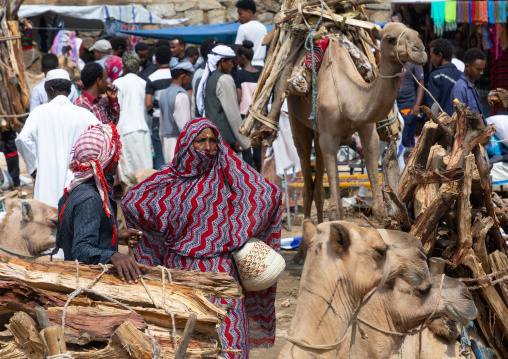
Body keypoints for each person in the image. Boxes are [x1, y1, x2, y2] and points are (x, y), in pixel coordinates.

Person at [122, 118, 282, 358]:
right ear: (187, 144)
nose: (208, 147)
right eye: (201, 141)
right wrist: (137, 233)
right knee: (186, 343)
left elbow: (267, 195)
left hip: (222, 274)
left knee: (228, 341)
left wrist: (236, 232)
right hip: (180, 274)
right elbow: (134, 201)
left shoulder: (228, 172)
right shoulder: (169, 178)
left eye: (212, 141)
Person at [57, 123, 143, 283]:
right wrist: (114, 255)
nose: (118, 159)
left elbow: (65, 238)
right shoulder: (91, 199)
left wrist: (113, 235)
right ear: (106, 159)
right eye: (115, 154)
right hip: (88, 282)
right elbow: (80, 249)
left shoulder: (73, 191)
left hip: (75, 277)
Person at [16, 69, 99, 208]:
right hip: (76, 182)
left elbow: (23, 139)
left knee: (46, 222)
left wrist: (33, 168)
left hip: (46, 182)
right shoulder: (84, 114)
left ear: (51, 90)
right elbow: (104, 135)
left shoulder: (39, 112)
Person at [196, 45, 250, 152]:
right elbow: (233, 114)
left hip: (206, 139)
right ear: (222, 62)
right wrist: (244, 143)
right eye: (230, 61)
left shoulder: (202, 81)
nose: (232, 65)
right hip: (222, 140)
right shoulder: (224, 80)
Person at [113, 52, 152, 188]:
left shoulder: (118, 83)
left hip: (125, 130)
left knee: (129, 174)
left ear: (124, 66)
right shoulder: (144, 83)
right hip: (144, 130)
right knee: (146, 170)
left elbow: (116, 108)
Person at [159, 61, 194, 163]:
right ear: (183, 77)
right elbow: (185, 128)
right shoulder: (181, 95)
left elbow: (161, 126)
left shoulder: (163, 94)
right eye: (189, 77)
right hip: (178, 144)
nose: (189, 81)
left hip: (166, 143)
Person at [145, 46, 173, 169]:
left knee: (160, 156)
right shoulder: (175, 75)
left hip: (157, 120)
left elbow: (148, 103)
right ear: (170, 59)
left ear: (156, 60)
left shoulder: (152, 78)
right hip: (174, 121)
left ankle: (160, 185)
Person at [235, 40, 261, 169]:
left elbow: (239, 98)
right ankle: (261, 175)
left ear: (243, 57)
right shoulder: (260, 73)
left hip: (244, 115)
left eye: (238, 58)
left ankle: (248, 177)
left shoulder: (239, 75)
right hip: (259, 116)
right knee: (258, 147)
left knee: (246, 147)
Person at [427, 39, 463, 116]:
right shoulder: (462, 76)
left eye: (432, 56)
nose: (431, 60)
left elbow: (434, 107)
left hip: (444, 125)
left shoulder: (436, 76)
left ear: (440, 56)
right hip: (461, 124)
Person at [450, 48, 486, 120]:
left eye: (482, 69)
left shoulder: (472, 85)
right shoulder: (460, 88)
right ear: (467, 67)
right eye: (478, 69)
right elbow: (459, 120)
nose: (481, 73)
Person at [397, 61, 424, 150]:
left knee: (406, 139)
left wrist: (417, 106)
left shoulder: (413, 63)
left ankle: (408, 162)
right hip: (395, 107)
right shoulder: (395, 60)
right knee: (397, 140)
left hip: (408, 108)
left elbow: (420, 84)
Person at [235, 0, 267, 68]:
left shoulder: (242, 28)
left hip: (246, 66)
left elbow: (238, 49)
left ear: (249, 12)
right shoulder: (263, 27)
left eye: (240, 14)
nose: (238, 17)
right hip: (261, 66)